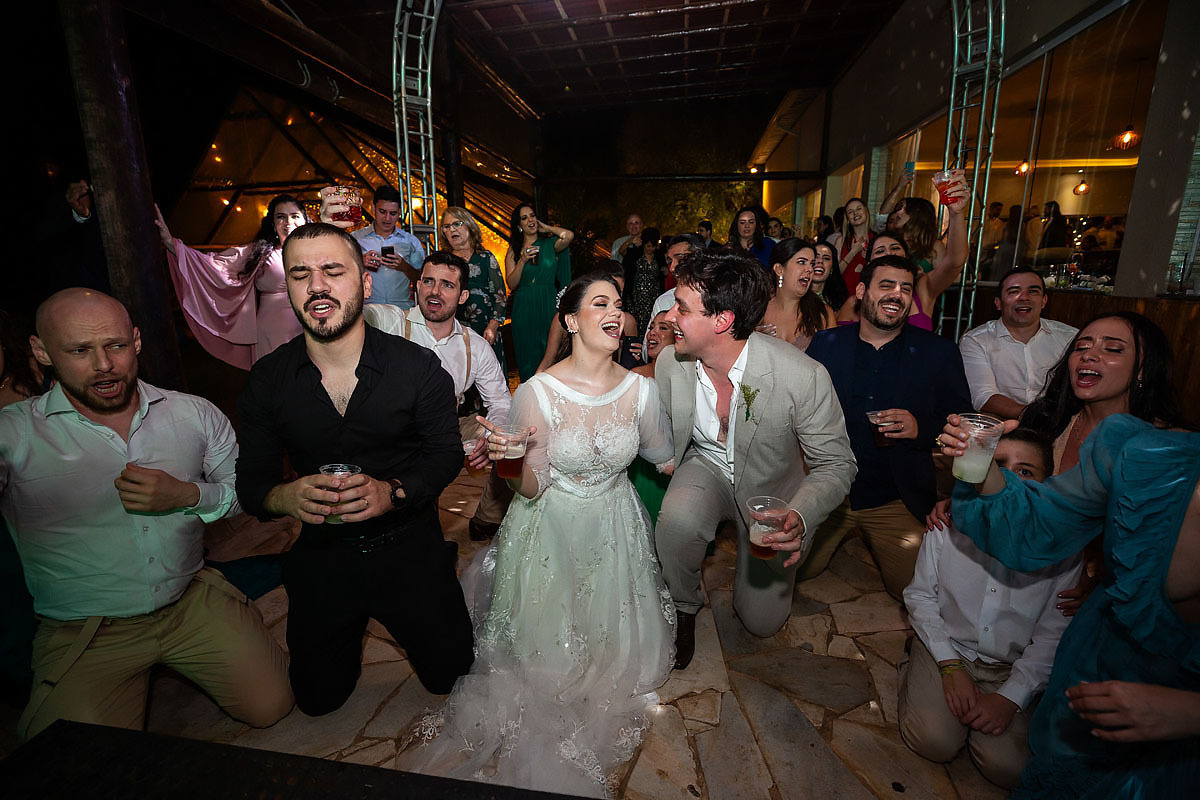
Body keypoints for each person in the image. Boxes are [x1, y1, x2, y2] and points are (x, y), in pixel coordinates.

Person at [405, 271, 676, 797]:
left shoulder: (643, 390)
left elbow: (664, 460)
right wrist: (508, 464)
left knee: (614, 649)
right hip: (549, 526)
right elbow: (530, 488)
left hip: (616, 527)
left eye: (619, 304)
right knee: (545, 660)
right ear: (572, 321)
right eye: (601, 303)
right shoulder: (536, 392)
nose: (615, 312)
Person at [1, 288, 292, 741]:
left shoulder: (192, 413)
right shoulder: (14, 432)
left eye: (115, 346)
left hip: (189, 597)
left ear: (136, 341)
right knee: (71, 766)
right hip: (87, 626)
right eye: (79, 350)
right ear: (41, 352)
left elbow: (246, 494)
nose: (103, 365)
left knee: (272, 704)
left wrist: (188, 495)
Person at [235, 223, 474, 715]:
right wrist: (285, 497)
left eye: (332, 271)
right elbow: (252, 484)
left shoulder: (419, 367)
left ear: (365, 284)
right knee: (318, 700)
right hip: (324, 556)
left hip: (410, 548)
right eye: (301, 274)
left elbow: (446, 454)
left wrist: (394, 492)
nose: (317, 286)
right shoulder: (268, 380)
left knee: (452, 676)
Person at [940, 413, 1199, 798]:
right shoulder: (1139, 451)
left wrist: (1189, 712)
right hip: (1097, 674)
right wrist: (981, 464)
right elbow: (1034, 527)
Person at [655, 250, 856, 668]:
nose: (669, 315)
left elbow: (837, 464)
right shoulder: (670, 364)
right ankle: (683, 607)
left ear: (722, 321)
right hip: (707, 467)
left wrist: (799, 515)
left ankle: (761, 578)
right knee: (675, 522)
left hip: (773, 495)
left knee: (761, 622)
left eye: (682, 307)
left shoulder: (803, 376)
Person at [900, 429, 1081, 789]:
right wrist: (950, 666)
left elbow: (1052, 636)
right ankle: (918, 667)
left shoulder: (1061, 551)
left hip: (1008, 665)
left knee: (1008, 768)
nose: (1010, 480)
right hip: (952, 648)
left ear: (1047, 485)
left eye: (1026, 471)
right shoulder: (947, 526)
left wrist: (1010, 697)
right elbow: (921, 597)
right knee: (933, 741)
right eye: (999, 467)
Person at [803, 255, 972, 599]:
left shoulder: (938, 353)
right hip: (831, 491)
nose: (897, 294)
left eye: (905, 288)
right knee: (795, 571)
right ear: (862, 291)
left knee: (916, 590)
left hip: (895, 497)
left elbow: (961, 421)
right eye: (886, 285)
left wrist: (921, 427)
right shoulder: (826, 345)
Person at [362, 252, 514, 542]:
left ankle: (487, 517)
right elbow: (353, 308)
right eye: (428, 281)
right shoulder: (389, 322)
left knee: (507, 437)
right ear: (418, 286)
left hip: (444, 429)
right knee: (413, 521)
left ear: (463, 295)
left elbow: (501, 402)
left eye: (447, 285)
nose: (435, 291)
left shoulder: (476, 345)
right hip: (393, 436)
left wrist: (488, 439)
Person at [155, 194, 307, 369]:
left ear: (304, 219)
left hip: (311, 328)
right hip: (273, 331)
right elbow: (213, 265)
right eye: (281, 217)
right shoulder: (260, 252)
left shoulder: (318, 249)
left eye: (294, 216)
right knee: (279, 381)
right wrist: (170, 242)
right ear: (273, 223)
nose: (288, 222)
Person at [959, 267, 1077, 420]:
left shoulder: (1070, 337)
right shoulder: (976, 340)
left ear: (1044, 301)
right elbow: (983, 396)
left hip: (1061, 422)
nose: (1024, 297)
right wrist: (1034, 416)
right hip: (1004, 425)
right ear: (998, 303)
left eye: (1033, 291)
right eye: (1013, 292)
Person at [503, 203, 574, 380]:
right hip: (524, 304)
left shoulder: (550, 244)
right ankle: (531, 395)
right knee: (527, 352)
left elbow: (569, 236)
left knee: (551, 349)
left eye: (532, 215)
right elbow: (511, 284)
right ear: (519, 225)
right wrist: (523, 260)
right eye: (524, 218)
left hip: (548, 300)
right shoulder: (514, 250)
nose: (530, 220)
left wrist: (546, 228)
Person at [439, 206, 507, 372]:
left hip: (486, 331)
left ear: (469, 225)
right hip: (454, 333)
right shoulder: (443, 261)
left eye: (457, 224)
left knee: (491, 382)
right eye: (447, 227)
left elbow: (500, 296)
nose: (452, 229)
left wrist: (492, 327)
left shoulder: (486, 258)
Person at [630, 311, 678, 524]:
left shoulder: (690, 376)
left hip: (681, 469)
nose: (653, 333)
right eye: (651, 327)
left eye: (663, 328)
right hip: (645, 470)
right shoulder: (635, 376)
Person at [352, 185, 425, 309]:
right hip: (367, 309)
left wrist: (404, 267)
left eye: (393, 213)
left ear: (400, 212)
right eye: (382, 212)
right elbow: (340, 272)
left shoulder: (410, 241)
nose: (387, 218)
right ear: (373, 208)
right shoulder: (355, 238)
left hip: (401, 309)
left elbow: (422, 279)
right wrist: (360, 262)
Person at [756, 238, 837, 350]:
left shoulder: (823, 313)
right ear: (779, 269)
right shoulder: (758, 311)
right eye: (801, 262)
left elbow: (833, 360)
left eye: (811, 264)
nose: (810, 269)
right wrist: (753, 340)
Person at [623, 226, 663, 334]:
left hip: (653, 296)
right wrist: (632, 240)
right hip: (636, 297)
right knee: (636, 325)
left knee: (650, 323)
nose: (651, 249)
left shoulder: (659, 257)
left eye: (653, 246)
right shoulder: (634, 254)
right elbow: (621, 252)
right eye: (648, 246)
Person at [837, 197, 874, 295]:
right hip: (844, 295)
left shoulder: (877, 240)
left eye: (859, 209)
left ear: (866, 212)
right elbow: (835, 274)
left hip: (868, 295)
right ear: (847, 219)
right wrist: (852, 252)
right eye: (850, 211)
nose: (855, 213)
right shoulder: (841, 241)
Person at [812, 240, 851, 315]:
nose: (820, 261)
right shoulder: (795, 296)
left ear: (832, 268)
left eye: (826, 258)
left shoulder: (839, 302)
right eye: (816, 257)